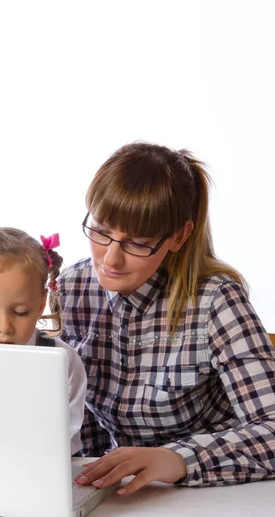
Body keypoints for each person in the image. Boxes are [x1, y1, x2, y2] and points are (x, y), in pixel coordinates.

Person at [58, 142, 275, 494]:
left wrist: (176, 459)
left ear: (179, 236)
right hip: (117, 496)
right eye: (101, 231)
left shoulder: (215, 300)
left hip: (207, 496)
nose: (110, 259)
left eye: (137, 242)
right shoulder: (71, 287)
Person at [0, 219, 87, 455]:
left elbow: (68, 435)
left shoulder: (63, 360)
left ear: (41, 303)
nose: (4, 327)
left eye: (21, 312)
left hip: (43, 467)